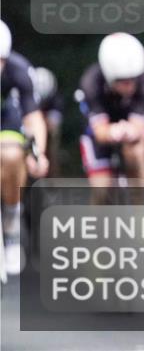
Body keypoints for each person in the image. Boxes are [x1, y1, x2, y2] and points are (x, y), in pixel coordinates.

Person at [78, 33, 144, 194]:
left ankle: (139, 211)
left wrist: (129, 131)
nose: (130, 86)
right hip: (99, 129)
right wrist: (114, 131)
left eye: (133, 79)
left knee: (136, 153)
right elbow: (100, 132)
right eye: (123, 81)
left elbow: (139, 127)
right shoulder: (91, 82)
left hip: (130, 124)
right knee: (101, 189)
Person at [0, 19, 49, 274]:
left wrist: (37, 153)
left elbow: (33, 118)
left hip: (7, 117)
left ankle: (11, 223)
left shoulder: (19, 70)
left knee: (11, 155)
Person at [30, 67, 63, 178]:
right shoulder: (24, 94)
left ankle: (53, 177)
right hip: (28, 127)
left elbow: (53, 123)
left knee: (53, 139)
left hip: (46, 131)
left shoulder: (55, 99)